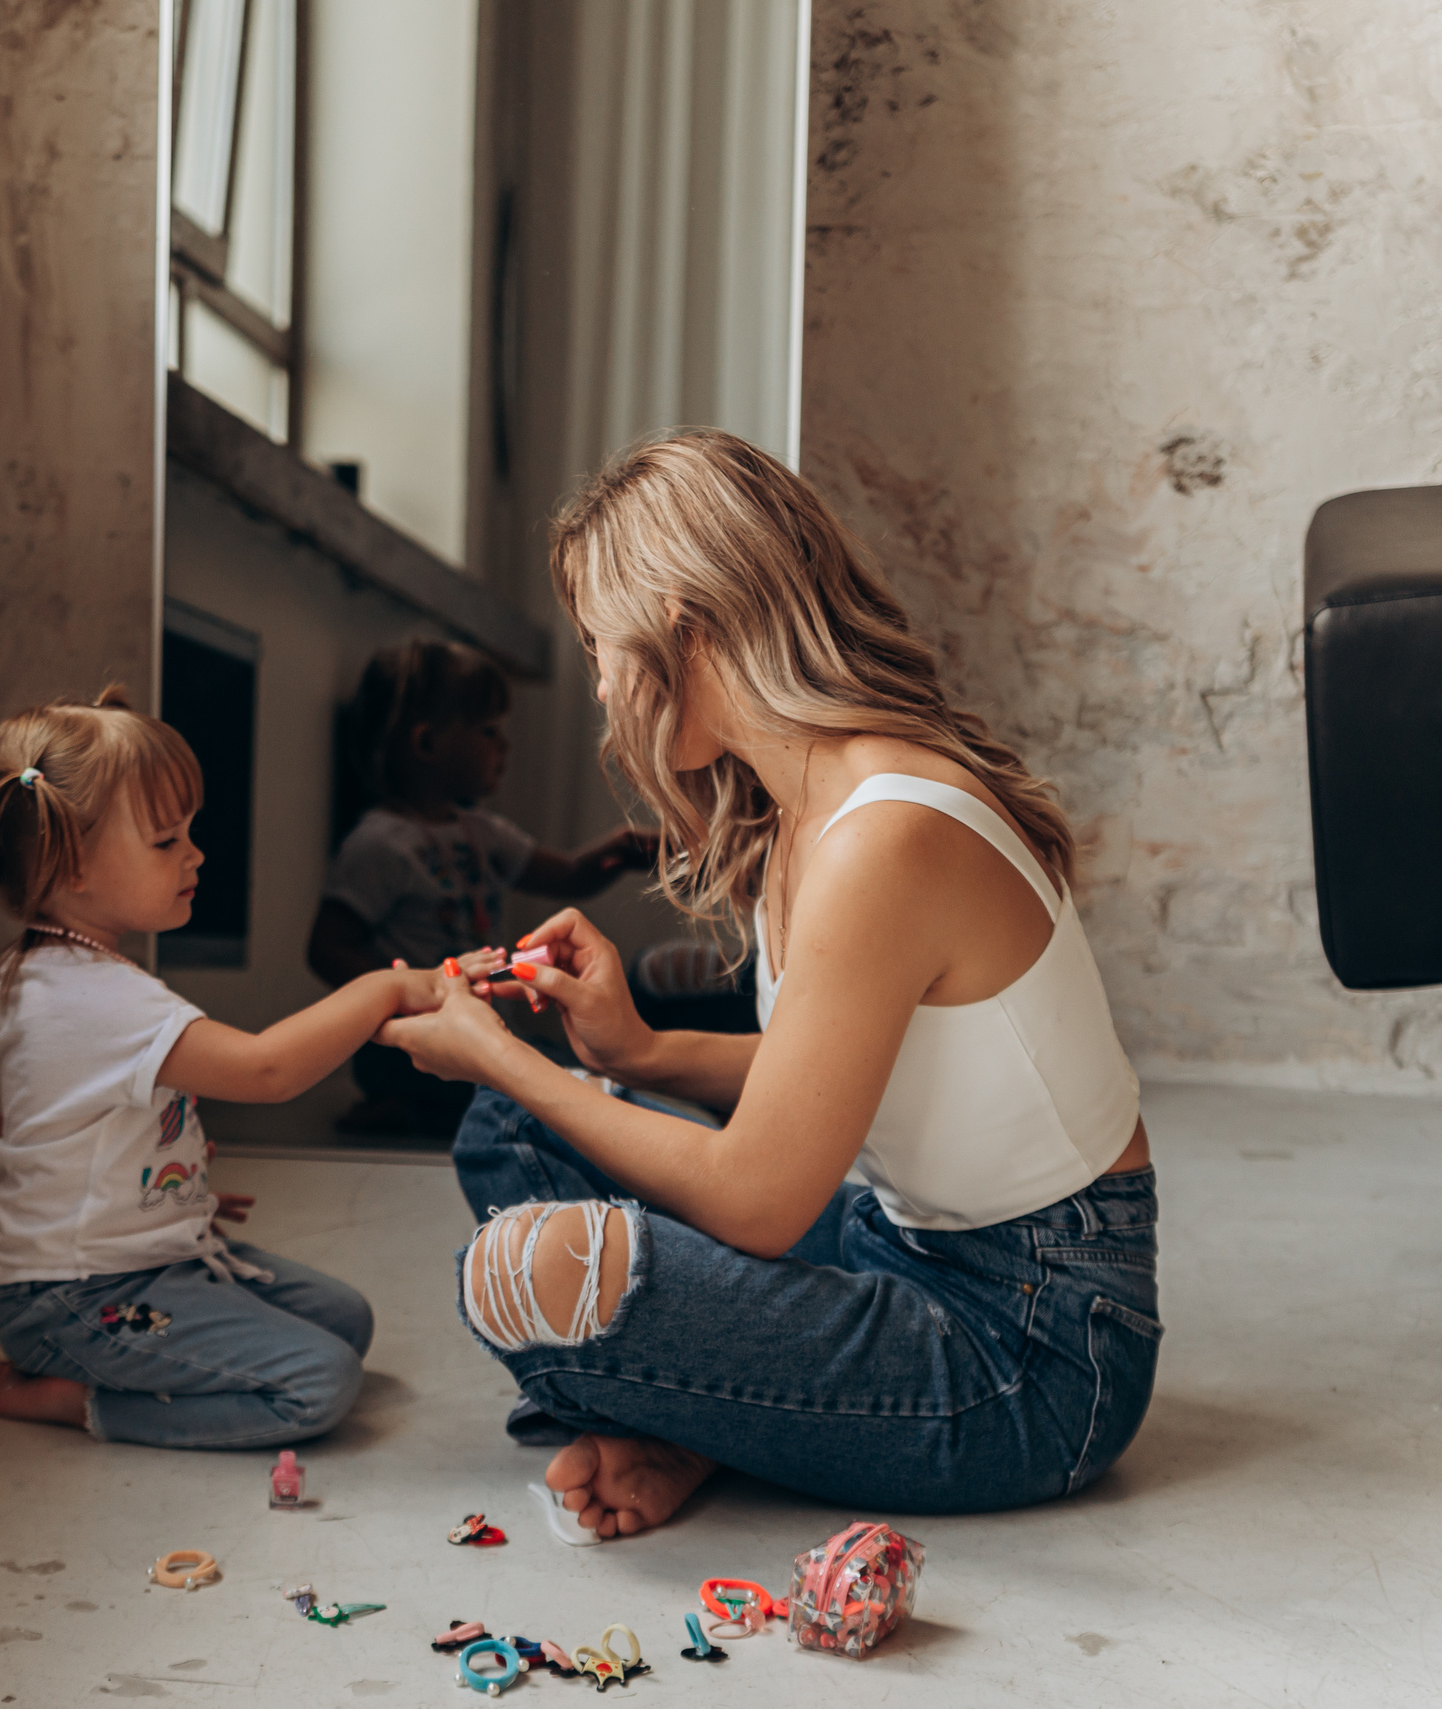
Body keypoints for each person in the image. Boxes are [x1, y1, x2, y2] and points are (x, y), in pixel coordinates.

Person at [376, 430, 1159, 1532]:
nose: (600, 683)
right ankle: (723, 1416)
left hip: (1032, 1348)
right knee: (508, 1137)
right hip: (901, 1242)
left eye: (604, 644)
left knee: (528, 1266)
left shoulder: (884, 832)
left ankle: (705, 1415)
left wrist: (498, 1048)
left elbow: (757, 1197)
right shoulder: (802, 805)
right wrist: (631, 1047)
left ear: (685, 631)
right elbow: (840, 1071)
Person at [0, 686, 451, 1447]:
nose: (194, 854)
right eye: (166, 842)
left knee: (346, 1319)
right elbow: (267, 1072)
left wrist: (142, 1188)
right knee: (321, 1381)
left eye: (186, 833)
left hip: (140, 1257)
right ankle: (75, 1401)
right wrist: (384, 985)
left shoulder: (28, 973)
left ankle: (106, 1353)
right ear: (73, 864)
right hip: (79, 1297)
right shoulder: (105, 999)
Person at [308, 639, 653, 1133]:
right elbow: (326, 947)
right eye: (489, 731)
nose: (504, 746)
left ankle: (426, 1108)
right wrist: (406, 991)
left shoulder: (483, 833)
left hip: (478, 1024)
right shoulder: (381, 844)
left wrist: (621, 851)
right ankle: (401, 1104)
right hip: (419, 1035)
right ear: (428, 744)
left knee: (554, 1068)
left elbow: (568, 876)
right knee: (511, 1089)